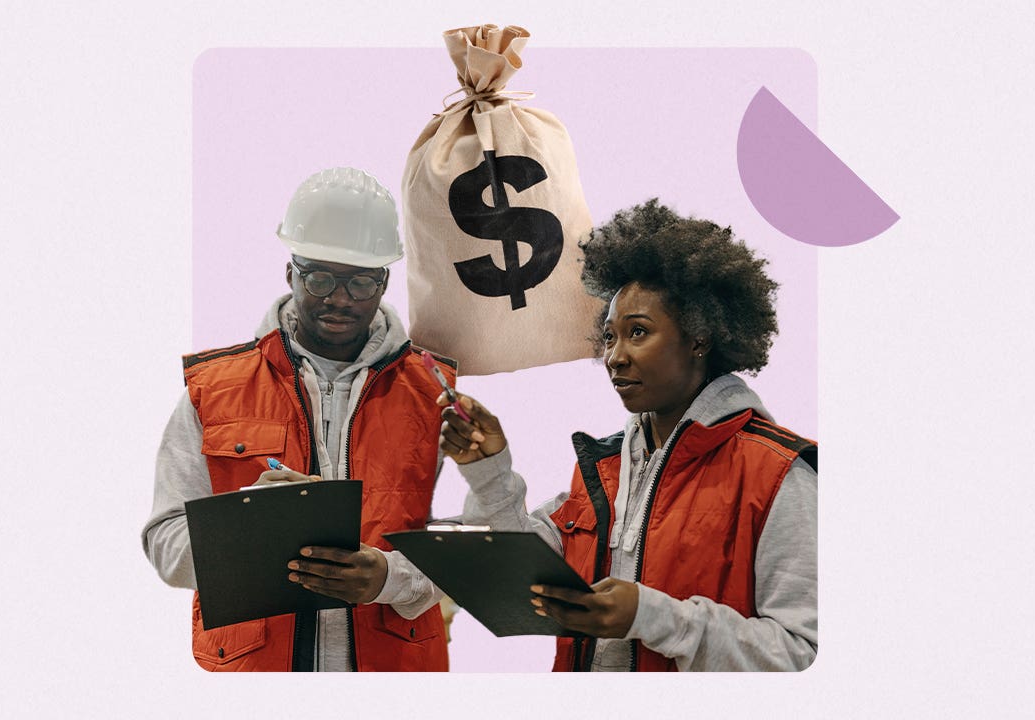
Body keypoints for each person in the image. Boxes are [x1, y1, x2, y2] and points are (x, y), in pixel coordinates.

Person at [440, 199, 818, 671]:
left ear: (699, 339)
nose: (615, 356)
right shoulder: (605, 469)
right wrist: (487, 467)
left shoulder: (781, 473)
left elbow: (804, 656)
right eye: (610, 337)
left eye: (638, 332)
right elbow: (514, 576)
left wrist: (652, 616)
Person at [142, 167, 453, 671]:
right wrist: (247, 526)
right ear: (291, 272)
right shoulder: (212, 391)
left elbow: (485, 539)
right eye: (320, 277)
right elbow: (165, 544)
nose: (339, 298)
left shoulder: (436, 393)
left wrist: (392, 578)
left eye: (360, 282)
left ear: (384, 281)